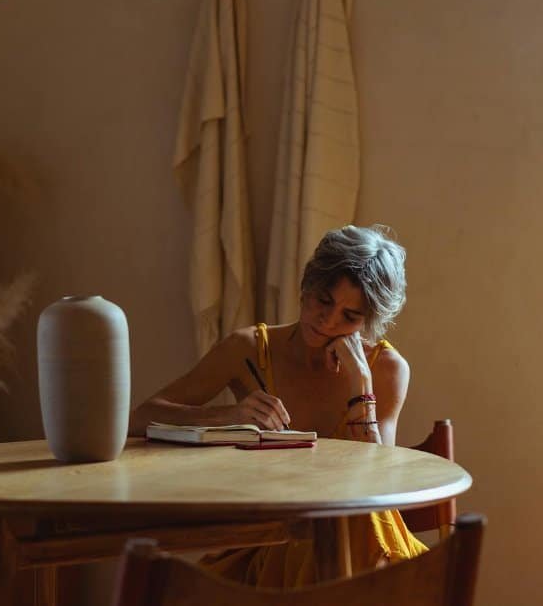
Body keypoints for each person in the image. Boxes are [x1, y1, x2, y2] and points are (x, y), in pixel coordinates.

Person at [128, 224, 424, 587]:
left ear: (368, 322)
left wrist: (360, 385)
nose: (328, 321)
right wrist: (229, 417)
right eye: (324, 300)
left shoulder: (387, 369)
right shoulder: (250, 349)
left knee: (345, 513)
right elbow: (141, 417)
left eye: (350, 317)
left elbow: (379, 484)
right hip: (271, 544)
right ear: (306, 286)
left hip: (366, 545)